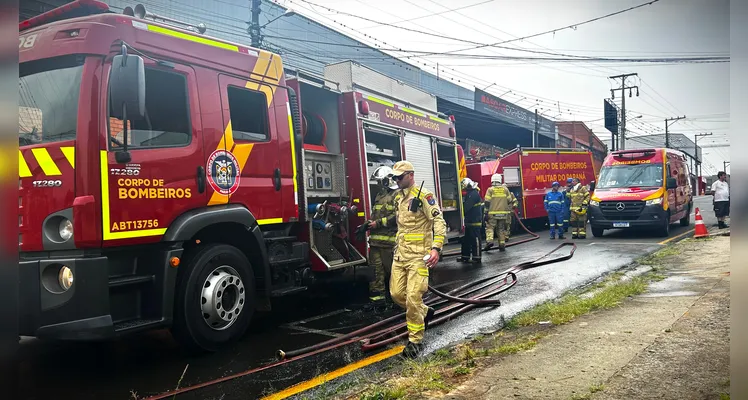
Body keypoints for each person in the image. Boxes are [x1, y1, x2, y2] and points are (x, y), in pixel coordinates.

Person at [367, 160, 446, 358]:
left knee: (412, 297)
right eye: (394, 177)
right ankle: (425, 312)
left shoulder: (424, 196)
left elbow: (438, 221)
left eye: (399, 177)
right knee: (396, 294)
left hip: (419, 257)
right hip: (400, 255)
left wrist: (436, 248)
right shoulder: (398, 199)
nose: (396, 180)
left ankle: (415, 340)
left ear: (410, 175)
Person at [367, 166, 398, 303]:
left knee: (392, 272)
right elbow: (376, 214)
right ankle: (377, 300)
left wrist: (378, 223)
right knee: (375, 272)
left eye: (381, 181)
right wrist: (368, 224)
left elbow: (398, 217)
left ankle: (396, 299)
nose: (379, 184)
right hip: (375, 242)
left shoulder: (397, 195)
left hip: (389, 243)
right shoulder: (380, 195)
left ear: (388, 180)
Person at [484, 173, 513, 252]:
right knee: (501, 229)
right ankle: (502, 245)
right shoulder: (505, 190)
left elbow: (487, 202)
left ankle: (489, 241)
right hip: (503, 214)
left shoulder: (490, 190)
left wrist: (485, 213)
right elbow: (510, 201)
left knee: (490, 228)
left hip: (492, 214)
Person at [459, 177, 482, 264]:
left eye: (464, 188)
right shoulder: (469, 193)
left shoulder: (474, 194)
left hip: (475, 221)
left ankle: (477, 257)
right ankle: (465, 256)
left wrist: (459, 213)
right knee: (465, 239)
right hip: (468, 221)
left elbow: (466, 207)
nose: (464, 191)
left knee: (475, 239)